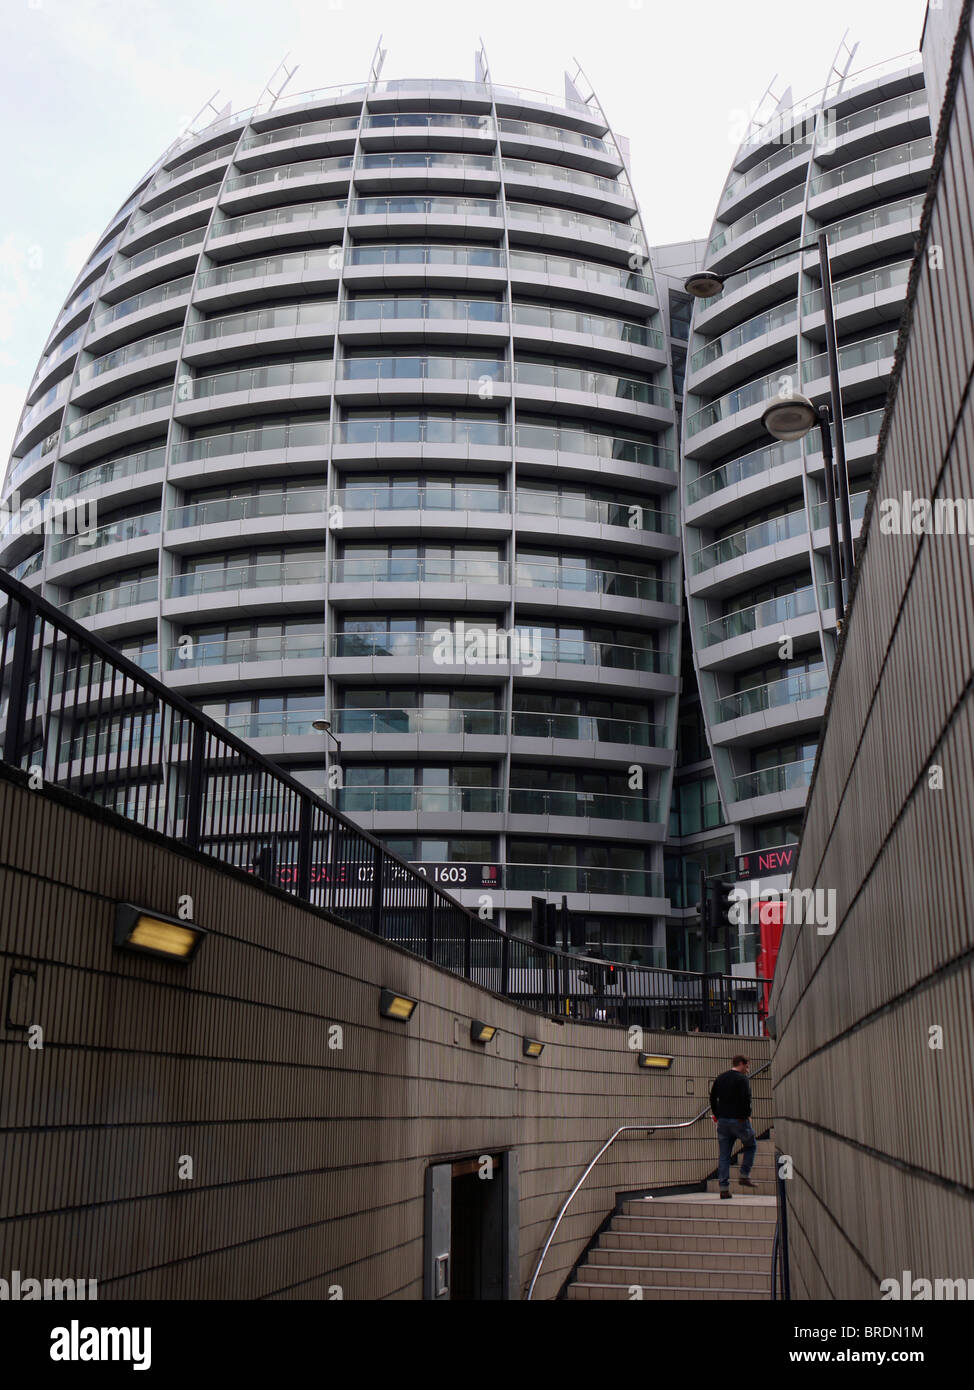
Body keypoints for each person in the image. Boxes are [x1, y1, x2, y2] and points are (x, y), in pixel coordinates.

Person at [709, 1054, 757, 1199]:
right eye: (747, 1066)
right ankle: (744, 1175)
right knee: (751, 1145)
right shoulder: (742, 1079)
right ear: (741, 1064)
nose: (748, 1070)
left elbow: (712, 1097)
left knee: (724, 1155)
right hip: (739, 1120)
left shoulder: (721, 1077)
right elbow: (746, 1098)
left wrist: (717, 1114)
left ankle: (724, 1188)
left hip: (723, 1121)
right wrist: (746, 1115)